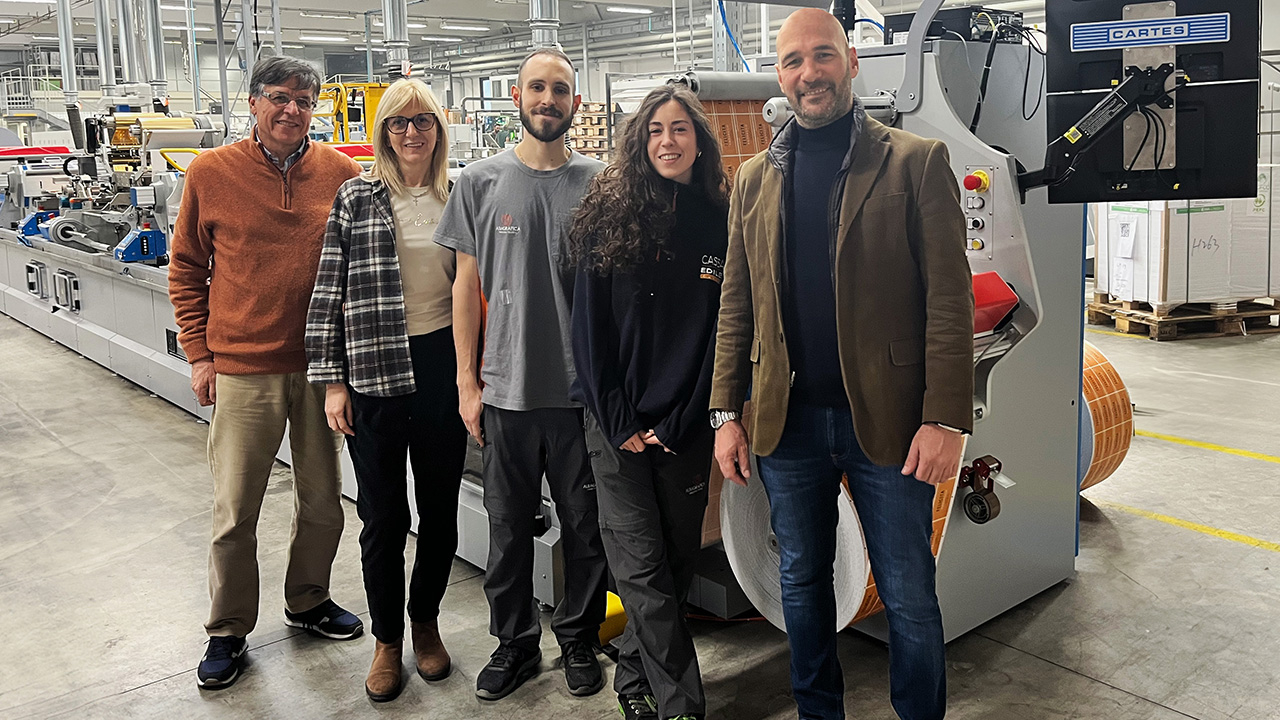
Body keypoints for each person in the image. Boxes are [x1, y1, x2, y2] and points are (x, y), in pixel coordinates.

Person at [709, 8, 975, 720]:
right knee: (801, 583)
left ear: (850, 62)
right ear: (780, 75)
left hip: (888, 422)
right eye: (793, 62)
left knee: (909, 591)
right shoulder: (755, 180)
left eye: (821, 56)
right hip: (786, 423)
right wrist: (725, 414)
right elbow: (737, 309)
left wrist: (947, 416)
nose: (808, 74)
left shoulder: (915, 162)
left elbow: (949, 303)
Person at [169, 55, 365, 691]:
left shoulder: (341, 174)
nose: (292, 110)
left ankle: (307, 600)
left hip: (319, 369)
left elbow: (359, 274)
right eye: (280, 97)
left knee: (324, 505)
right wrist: (199, 354)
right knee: (236, 510)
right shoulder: (211, 172)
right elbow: (186, 268)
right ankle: (227, 629)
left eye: (305, 101)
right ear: (254, 102)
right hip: (244, 370)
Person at [435, 48, 609, 702]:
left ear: (575, 104)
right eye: (537, 87)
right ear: (517, 96)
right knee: (507, 533)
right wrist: (466, 383)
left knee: (586, 529)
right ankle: (514, 645)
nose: (547, 99)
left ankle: (579, 637)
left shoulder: (600, 183)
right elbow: (463, 288)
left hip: (578, 397)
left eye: (559, 89)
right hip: (504, 392)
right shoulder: (478, 181)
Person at [568, 84, 728, 720]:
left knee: (676, 562)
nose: (668, 140)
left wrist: (686, 418)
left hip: (683, 426)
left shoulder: (719, 219)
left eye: (681, 129)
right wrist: (621, 422)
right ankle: (681, 705)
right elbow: (588, 333)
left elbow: (722, 333)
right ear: (640, 141)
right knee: (640, 569)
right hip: (617, 427)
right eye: (656, 129)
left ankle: (632, 676)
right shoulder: (606, 217)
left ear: (698, 141)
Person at [305, 79, 466, 703]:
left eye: (423, 121)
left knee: (441, 513)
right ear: (384, 132)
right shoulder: (357, 196)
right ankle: (387, 640)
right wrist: (333, 382)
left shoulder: (461, 194)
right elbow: (328, 292)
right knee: (382, 519)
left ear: (438, 130)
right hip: (373, 371)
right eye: (399, 123)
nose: (411, 132)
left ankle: (425, 623)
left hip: (442, 367)